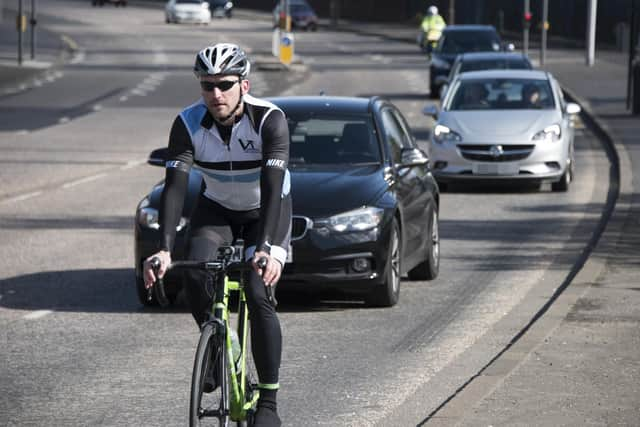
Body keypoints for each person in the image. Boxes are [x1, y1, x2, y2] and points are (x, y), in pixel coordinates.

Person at [143, 42, 291, 427]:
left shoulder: (269, 120)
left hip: (266, 211)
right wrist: (163, 251)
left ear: (244, 84)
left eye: (224, 84)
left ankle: (269, 402)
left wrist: (267, 249)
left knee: (258, 292)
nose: (215, 94)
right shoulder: (188, 123)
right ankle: (214, 351)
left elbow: (274, 187)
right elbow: (175, 187)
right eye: (207, 86)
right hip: (218, 208)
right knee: (195, 270)